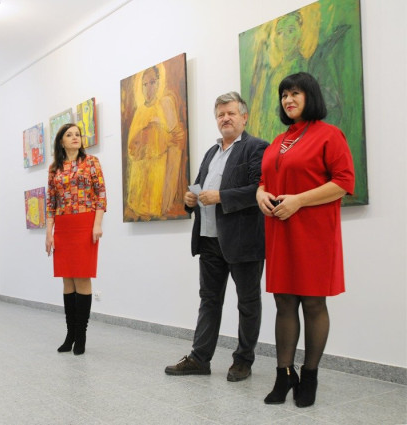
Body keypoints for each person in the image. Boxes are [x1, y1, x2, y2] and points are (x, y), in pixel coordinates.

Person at [257, 72, 354, 407]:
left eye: (295, 93)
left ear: (310, 96)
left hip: (314, 232)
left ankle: (309, 375)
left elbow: (343, 182)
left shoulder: (329, 135)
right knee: (284, 302)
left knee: (313, 303)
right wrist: (260, 194)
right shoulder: (277, 141)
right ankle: (284, 374)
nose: (288, 99)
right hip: (279, 231)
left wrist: (298, 200)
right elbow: (264, 179)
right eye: (284, 94)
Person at [165, 92, 268, 382]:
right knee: (209, 300)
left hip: (243, 240)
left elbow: (258, 189)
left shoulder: (256, 147)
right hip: (209, 238)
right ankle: (200, 359)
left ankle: (243, 361)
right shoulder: (212, 152)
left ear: (244, 117)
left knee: (247, 302)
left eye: (231, 113)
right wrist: (190, 199)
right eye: (221, 114)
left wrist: (221, 196)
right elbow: (200, 188)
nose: (225, 118)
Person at [45, 123, 107, 355]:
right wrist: (49, 232)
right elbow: (51, 202)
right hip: (63, 226)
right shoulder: (54, 168)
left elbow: (101, 195)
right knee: (67, 280)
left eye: (77, 134)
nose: (75, 138)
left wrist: (97, 224)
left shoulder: (91, 162)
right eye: (69, 135)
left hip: (85, 223)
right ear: (61, 141)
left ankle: (81, 336)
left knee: (82, 278)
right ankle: (70, 334)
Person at [124, 64, 188, 221]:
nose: (148, 89)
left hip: (158, 167)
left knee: (154, 205)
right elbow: (132, 145)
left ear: (159, 83)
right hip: (140, 169)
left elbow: (174, 138)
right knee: (138, 206)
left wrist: (161, 136)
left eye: (152, 83)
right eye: (145, 84)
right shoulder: (139, 112)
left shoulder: (165, 105)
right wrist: (148, 135)